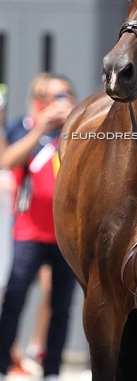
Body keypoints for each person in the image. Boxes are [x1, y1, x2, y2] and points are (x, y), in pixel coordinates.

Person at [0, 73, 77, 381]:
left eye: (69, 94)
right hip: (29, 233)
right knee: (15, 299)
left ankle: (52, 370)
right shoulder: (24, 127)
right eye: (59, 96)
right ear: (41, 101)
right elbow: (8, 160)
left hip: (65, 235)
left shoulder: (77, 132)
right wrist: (41, 129)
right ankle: (3, 364)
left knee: (61, 305)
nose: (66, 101)